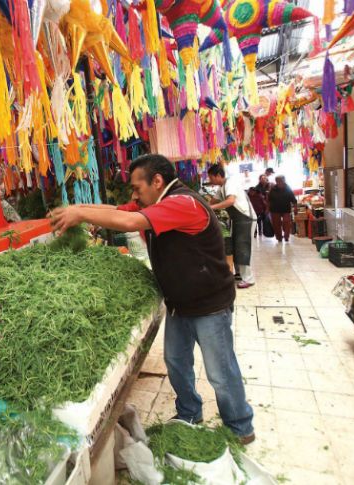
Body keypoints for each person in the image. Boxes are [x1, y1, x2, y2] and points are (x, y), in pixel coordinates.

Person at [49, 155, 255, 444]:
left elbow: (130, 221)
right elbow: (118, 209)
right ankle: (189, 413)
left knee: (220, 370)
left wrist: (81, 216)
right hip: (178, 302)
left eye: (137, 188)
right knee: (176, 362)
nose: (134, 195)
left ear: (157, 182)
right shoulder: (156, 202)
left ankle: (239, 427)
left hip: (209, 304)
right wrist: (76, 209)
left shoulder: (183, 203)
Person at [207, 164, 257, 289]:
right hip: (237, 220)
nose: (210, 181)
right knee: (236, 246)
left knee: (244, 247)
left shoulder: (231, 182)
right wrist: (203, 206)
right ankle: (239, 274)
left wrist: (211, 208)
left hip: (246, 219)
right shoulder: (222, 188)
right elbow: (212, 201)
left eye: (211, 177)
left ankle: (249, 279)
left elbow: (230, 201)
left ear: (218, 175)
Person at [268, 175, 298, 243]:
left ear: (284, 181)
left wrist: (295, 208)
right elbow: (269, 199)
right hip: (274, 209)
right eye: (278, 181)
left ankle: (286, 236)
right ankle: (279, 237)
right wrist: (267, 209)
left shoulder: (288, 188)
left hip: (286, 209)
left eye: (281, 181)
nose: (279, 182)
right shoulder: (273, 189)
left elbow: (293, 200)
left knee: (286, 223)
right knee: (276, 224)